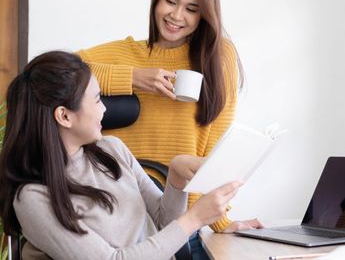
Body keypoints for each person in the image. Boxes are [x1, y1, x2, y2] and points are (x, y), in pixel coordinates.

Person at [76, 0, 262, 235]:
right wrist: (134, 77)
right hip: (117, 209)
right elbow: (52, 73)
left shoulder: (217, 58)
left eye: (191, 8)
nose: (177, 16)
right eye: (170, 1)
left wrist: (218, 221)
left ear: (204, 15)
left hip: (180, 215)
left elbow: (211, 153)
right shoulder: (127, 54)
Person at [0, 51, 242, 260]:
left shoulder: (112, 150)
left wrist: (177, 179)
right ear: (64, 116)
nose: (105, 108)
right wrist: (194, 218)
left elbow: (162, 225)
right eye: (97, 100)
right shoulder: (34, 197)